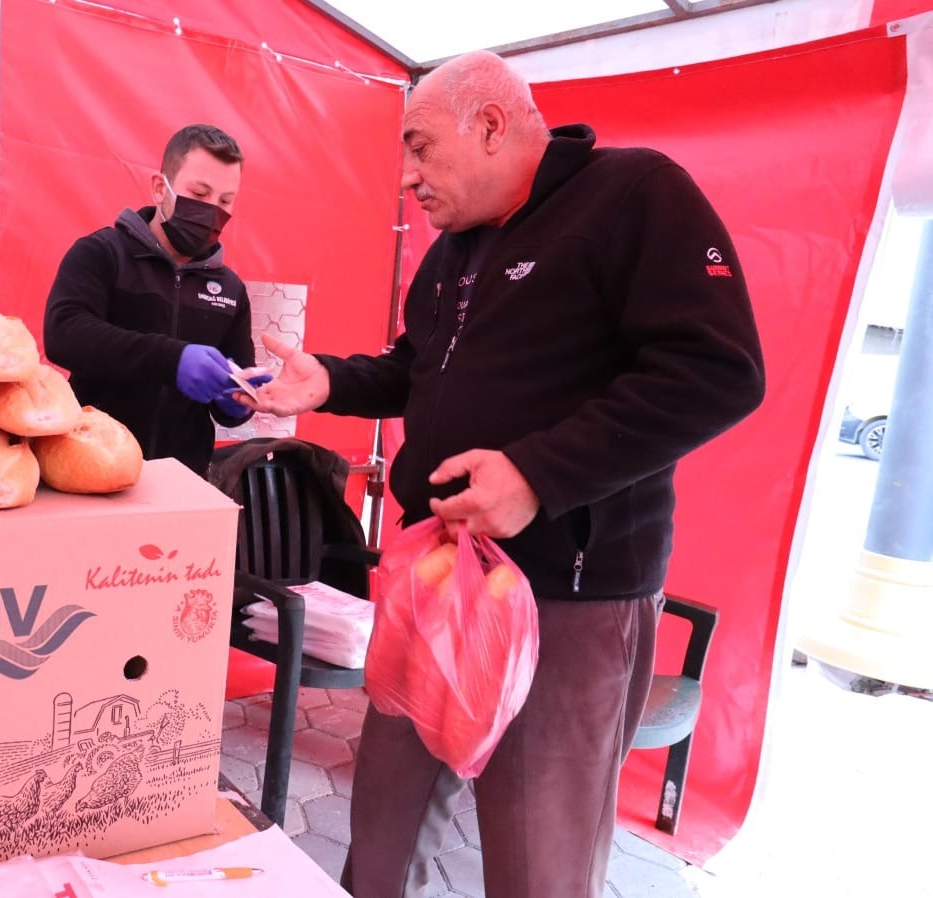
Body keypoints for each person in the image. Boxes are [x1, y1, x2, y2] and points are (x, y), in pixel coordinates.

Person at [248, 51, 764, 898]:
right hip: (437, 573)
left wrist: (538, 474)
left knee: (538, 856)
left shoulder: (634, 194)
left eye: (420, 147)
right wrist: (333, 381)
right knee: (384, 826)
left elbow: (720, 369)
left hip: (567, 594)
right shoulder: (455, 246)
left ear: (489, 124)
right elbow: (420, 365)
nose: (408, 176)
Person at [43, 123, 268, 476]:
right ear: (160, 188)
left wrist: (238, 402)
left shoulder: (230, 290)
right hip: (88, 466)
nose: (212, 211)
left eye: (225, 201)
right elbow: (64, 334)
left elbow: (234, 389)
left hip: (182, 477)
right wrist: (172, 360)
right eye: (199, 193)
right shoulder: (101, 254)